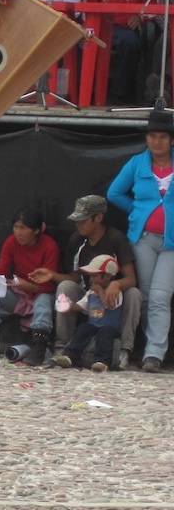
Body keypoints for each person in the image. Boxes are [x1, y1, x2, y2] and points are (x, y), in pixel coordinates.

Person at [29, 194, 142, 367]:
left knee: (134, 294)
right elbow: (74, 277)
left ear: (98, 218)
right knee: (65, 287)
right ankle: (63, 347)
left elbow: (131, 278)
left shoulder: (116, 239)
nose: (78, 225)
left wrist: (116, 284)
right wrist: (52, 275)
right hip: (89, 294)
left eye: (83, 220)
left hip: (115, 299)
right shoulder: (77, 239)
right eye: (77, 220)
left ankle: (124, 351)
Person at [107, 106, 174, 372]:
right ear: (146, 138)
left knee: (159, 296)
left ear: (171, 140)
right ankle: (147, 350)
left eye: (163, 137)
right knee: (144, 295)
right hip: (143, 238)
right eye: (152, 136)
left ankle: (155, 353)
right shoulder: (136, 163)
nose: (157, 141)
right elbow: (114, 193)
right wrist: (139, 212)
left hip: (171, 243)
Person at [0, 208, 60, 365]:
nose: (18, 232)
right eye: (16, 227)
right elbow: (2, 271)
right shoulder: (11, 242)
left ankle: (38, 348)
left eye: (23, 228)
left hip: (41, 293)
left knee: (43, 302)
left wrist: (28, 286)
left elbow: (47, 287)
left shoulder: (49, 246)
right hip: (21, 293)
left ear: (36, 230)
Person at [85, 0, 158, 105]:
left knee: (129, 41)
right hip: (100, 28)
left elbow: (154, 11)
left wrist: (141, 18)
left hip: (126, 31)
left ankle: (119, 97)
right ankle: (87, 96)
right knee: (80, 40)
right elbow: (88, 0)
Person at [52, 255, 124, 372]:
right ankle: (70, 355)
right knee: (83, 329)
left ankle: (102, 362)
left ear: (107, 276)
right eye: (90, 276)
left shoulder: (116, 293)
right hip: (94, 324)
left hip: (109, 326)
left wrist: (100, 292)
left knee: (105, 335)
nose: (91, 279)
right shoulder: (90, 292)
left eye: (95, 276)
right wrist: (68, 306)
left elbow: (109, 306)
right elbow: (81, 306)